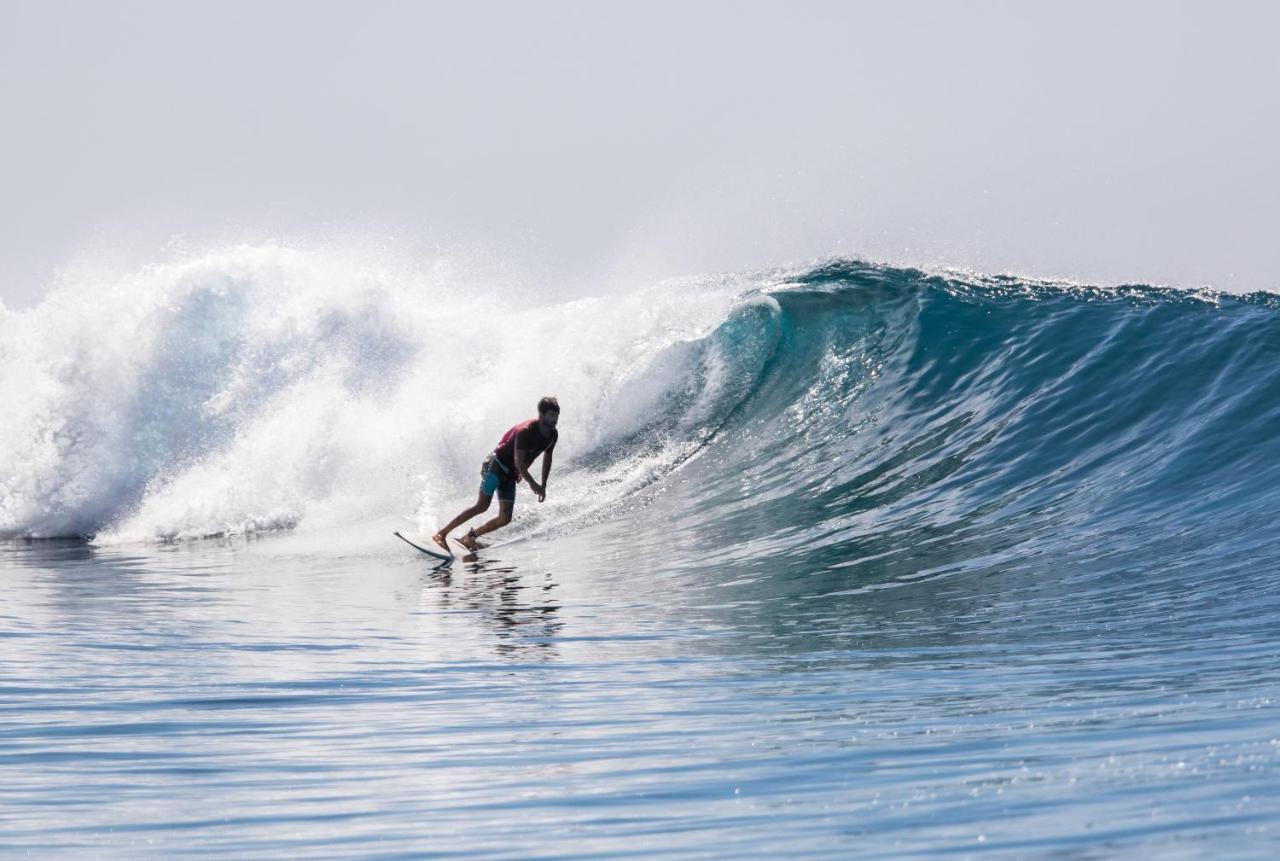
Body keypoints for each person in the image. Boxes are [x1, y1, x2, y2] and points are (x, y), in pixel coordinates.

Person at [433, 396, 560, 553]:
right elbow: (519, 463)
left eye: (556, 415)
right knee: (482, 506)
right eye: (551, 415)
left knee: (505, 518)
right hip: (496, 465)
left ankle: (469, 537)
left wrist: (544, 485)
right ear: (541, 414)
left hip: (510, 474)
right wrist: (533, 484)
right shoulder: (525, 431)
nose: (555, 420)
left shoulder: (552, 435)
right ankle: (441, 534)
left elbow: (548, 457)